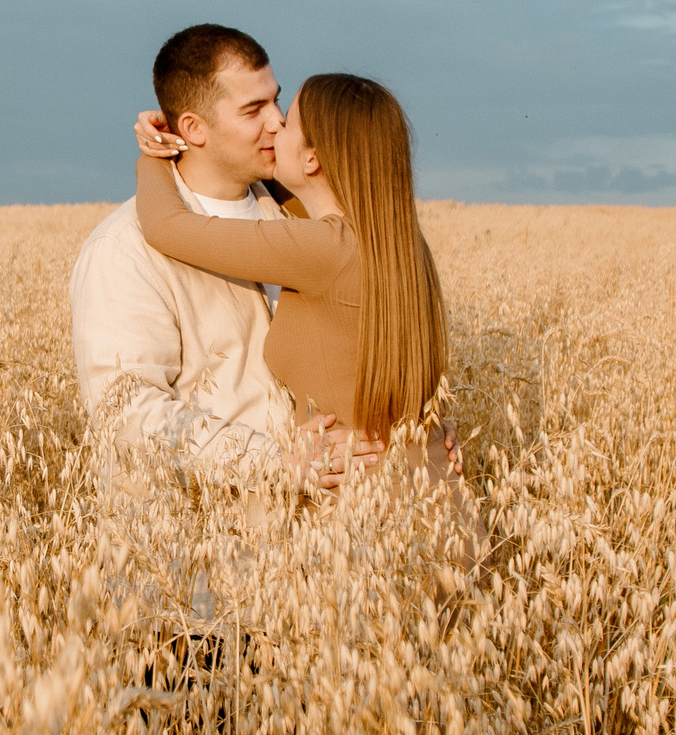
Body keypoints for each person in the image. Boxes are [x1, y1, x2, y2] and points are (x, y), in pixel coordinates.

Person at [70, 25, 374, 497]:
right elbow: (127, 412)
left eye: (275, 100)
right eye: (254, 109)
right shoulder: (124, 248)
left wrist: (420, 439)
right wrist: (277, 463)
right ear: (193, 128)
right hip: (200, 551)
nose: (277, 121)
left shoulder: (297, 216)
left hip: (315, 546)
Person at [130, 71, 464, 495]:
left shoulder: (324, 246)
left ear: (312, 160)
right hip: (434, 491)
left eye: (286, 120)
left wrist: (156, 153)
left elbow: (166, 226)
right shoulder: (397, 242)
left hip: (369, 511)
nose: (272, 126)